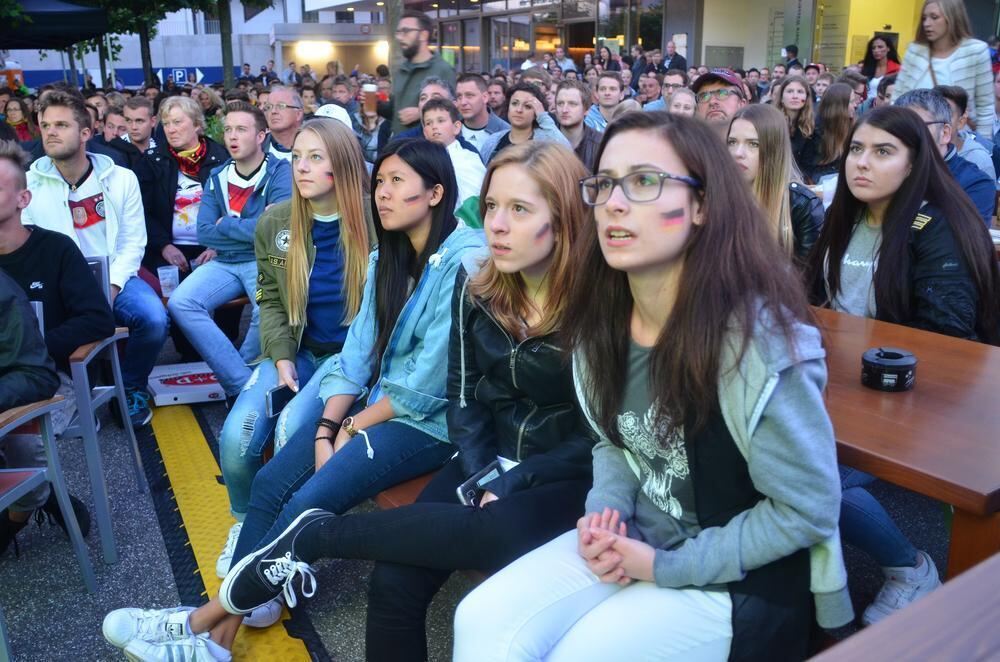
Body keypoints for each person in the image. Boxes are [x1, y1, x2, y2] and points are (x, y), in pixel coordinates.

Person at [109, 140, 596, 662]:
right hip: (450, 437)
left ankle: (212, 620)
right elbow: (365, 353)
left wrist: (352, 426)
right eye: (379, 181)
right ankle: (219, 628)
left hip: (426, 424)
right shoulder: (404, 259)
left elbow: (428, 389)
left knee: (306, 504)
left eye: (396, 183)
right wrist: (328, 426)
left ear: (436, 193)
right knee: (276, 478)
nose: (381, 194)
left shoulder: (472, 265)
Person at [453, 110, 849, 660]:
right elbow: (614, 441)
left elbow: (807, 510)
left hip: (735, 578)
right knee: (479, 618)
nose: (614, 202)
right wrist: (604, 512)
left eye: (644, 182)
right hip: (635, 538)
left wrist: (663, 567)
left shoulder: (759, 346)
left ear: (703, 205)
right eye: (605, 184)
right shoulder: (603, 322)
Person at [806, 105, 1000, 624]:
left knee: (819, 476)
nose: (861, 164)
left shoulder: (937, 226)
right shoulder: (843, 218)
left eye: (883, 152)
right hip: (836, 389)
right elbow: (816, 305)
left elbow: (946, 340)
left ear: (915, 165)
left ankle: (910, 567)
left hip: (906, 402)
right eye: (857, 150)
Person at [210, 118, 373, 583]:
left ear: (341, 167)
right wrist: (280, 354)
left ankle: (285, 546)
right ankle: (245, 528)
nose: (301, 167)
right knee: (237, 437)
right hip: (297, 349)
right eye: (297, 156)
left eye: (315, 158)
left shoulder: (374, 220)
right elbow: (270, 296)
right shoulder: (276, 220)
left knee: (289, 430)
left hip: (350, 359)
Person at [22, 90, 166, 429]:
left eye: (61, 124)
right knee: (46, 332)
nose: (50, 132)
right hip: (60, 286)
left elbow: (133, 242)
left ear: (86, 133)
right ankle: (74, 395)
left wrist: (113, 285)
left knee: (154, 320)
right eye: (45, 125)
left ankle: (128, 387)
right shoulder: (29, 184)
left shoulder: (121, 178)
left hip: (114, 275)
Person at [0, 140, 102, 555]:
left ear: (23, 198)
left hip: (52, 375)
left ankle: (22, 507)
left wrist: (31, 344)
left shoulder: (55, 249)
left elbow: (96, 318)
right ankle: (49, 491)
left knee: (21, 440)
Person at [166, 102, 292, 399]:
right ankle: (243, 384)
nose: (232, 136)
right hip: (224, 261)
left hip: (263, 260)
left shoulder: (280, 172)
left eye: (241, 129)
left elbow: (276, 228)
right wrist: (252, 225)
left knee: (268, 309)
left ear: (261, 136)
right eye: (228, 130)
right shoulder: (218, 175)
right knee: (181, 302)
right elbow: (205, 231)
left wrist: (228, 225)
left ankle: (241, 378)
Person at [141, 96, 228, 286]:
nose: (171, 129)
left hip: (215, 248)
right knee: (171, 305)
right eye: (166, 123)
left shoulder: (222, 158)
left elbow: (233, 209)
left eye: (178, 122)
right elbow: (142, 212)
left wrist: (217, 246)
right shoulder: (152, 160)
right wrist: (164, 246)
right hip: (167, 249)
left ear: (197, 124)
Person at [727, 104, 823, 264]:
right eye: (732, 142)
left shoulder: (801, 205)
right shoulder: (718, 197)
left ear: (773, 149)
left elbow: (808, 280)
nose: (738, 153)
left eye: (753, 144)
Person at [894, 0, 994, 145]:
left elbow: (985, 107)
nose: (927, 23)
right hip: (912, 136)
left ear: (952, 17)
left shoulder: (976, 51)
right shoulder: (915, 51)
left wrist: (983, 145)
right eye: (924, 18)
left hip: (955, 141)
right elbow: (897, 97)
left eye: (934, 17)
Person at [896, 89, 995, 225]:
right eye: (899, 129)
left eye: (917, 127)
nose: (907, 135)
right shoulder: (887, 171)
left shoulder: (975, 183)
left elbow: (960, 243)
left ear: (945, 133)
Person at [383, 10, 457, 136]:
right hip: (398, 145)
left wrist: (421, 112)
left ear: (423, 35)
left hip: (425, 148)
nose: (400, 37)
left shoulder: (442, 69)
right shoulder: (401, 70)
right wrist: (375, 105)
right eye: (398, 32)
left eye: (406, 31)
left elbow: (454, 109)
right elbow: (395, 111)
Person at [421, 97, 486, 223]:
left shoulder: (468, 159)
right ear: (424, 132)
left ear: (456, 127)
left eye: (441, 121)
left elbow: (476, 201)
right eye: (429, 123)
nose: (434, 127)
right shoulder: (422, 161)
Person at [478, 83, 571, 164]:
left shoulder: (545, 140)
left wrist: (543, 116)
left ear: (536, 113)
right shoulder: (493, 141)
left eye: (527, 106)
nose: (519, 110)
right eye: (514, 103)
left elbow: (566, 152)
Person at [935, 84, 997, 180]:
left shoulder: (978, 160)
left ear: (961, 121)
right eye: (933, 113)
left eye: (946, 114)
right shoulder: (917, 150)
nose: (937, 120)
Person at [802, 83, 855, 184]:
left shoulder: (853, 126)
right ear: (840, 106)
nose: (856, 105)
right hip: (820, 179)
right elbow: (806, 165)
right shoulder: (814, 130)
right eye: (851, 102)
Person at [455, 73, 509, 153]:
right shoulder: (451, 130)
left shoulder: (505, 132)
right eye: (459, 97)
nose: (463, 102)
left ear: (485, 97)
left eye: (469, 96)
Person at [555, 79, 602, 171]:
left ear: (587, 109)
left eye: (572, 104)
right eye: (560, 103)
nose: (564, 110)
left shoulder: (600, 144)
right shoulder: (544, 141)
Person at [774, 74, 817, 171]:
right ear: (781, 98)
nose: (795, 96)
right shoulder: (771, 122)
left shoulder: (811, 125)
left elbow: (808, 163)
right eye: (790, 91)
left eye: (800, 92)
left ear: (806, 97)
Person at [692, 68, 747, 141]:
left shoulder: (760, 148)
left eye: (722, 93)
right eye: (704, 96)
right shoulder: (684, 148)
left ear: (741, 104)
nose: (712, 102)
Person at [261, 86, 304, 162]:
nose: (273, 111)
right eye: (268, 107)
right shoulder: (256, 147)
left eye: (281, 106)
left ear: (298, 114)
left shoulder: (315, 146)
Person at [861, 36, 902, 101]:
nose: (876, 50)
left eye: (880, 47)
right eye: (873, 48)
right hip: (865, 107)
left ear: (888, 49)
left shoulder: (898, 69)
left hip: (885, 107)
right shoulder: (865, 69)